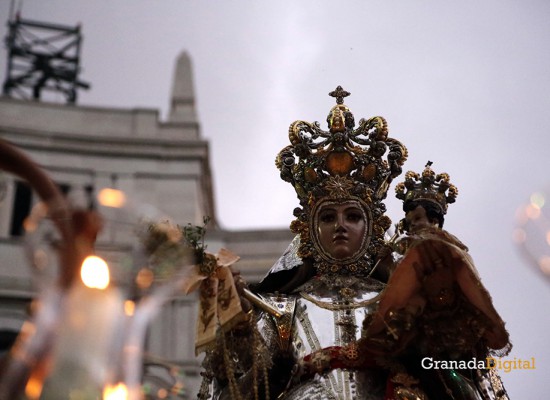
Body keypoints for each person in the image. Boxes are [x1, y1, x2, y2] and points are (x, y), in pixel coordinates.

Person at [198, 86, 408, 400]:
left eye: (352, 216)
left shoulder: (400, 307)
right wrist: (259, 359)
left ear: (372, 226)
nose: (340, 226)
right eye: (327, 218)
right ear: (309, 229)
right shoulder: (280, 312)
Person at [359, 164, 511, 399]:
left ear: (435, 220)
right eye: (409, 221)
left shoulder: (448, 249)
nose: (413, 225)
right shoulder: (403, 246)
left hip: (444, 332)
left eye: (418, 218)